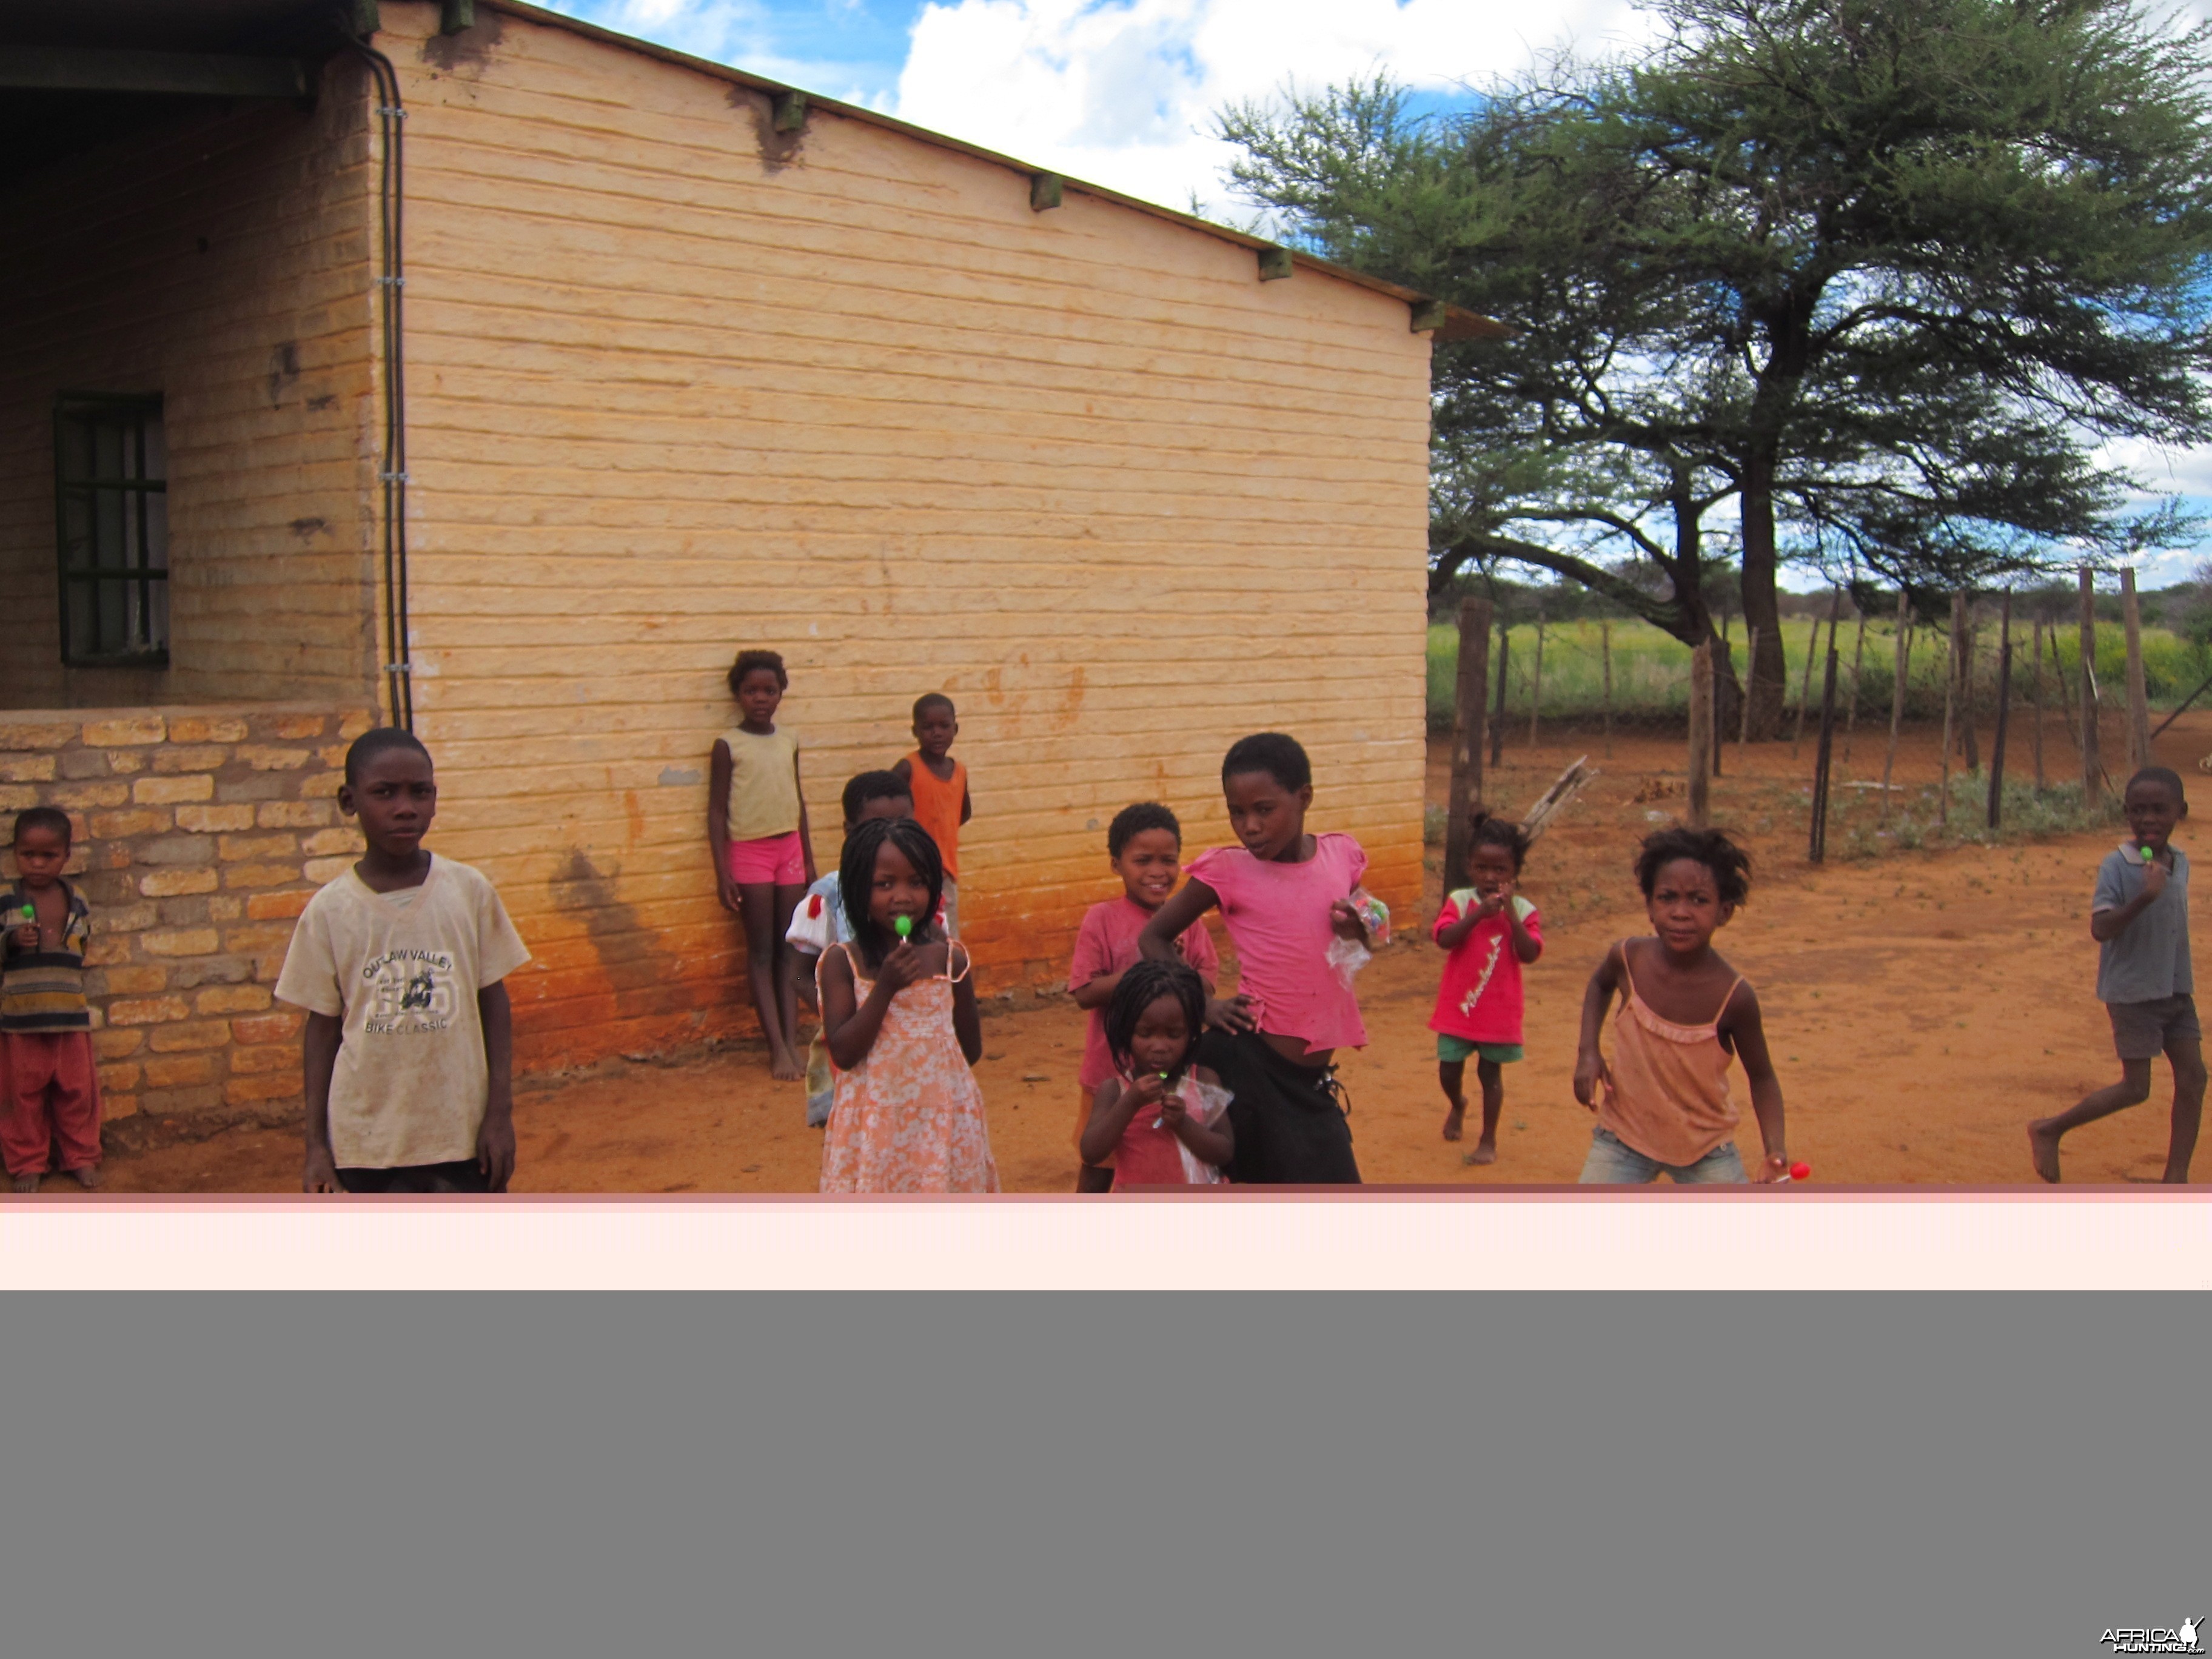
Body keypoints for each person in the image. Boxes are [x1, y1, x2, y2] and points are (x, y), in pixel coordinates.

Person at [277, 728, 532, 1195]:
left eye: (420, 792)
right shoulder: (331, 911)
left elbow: (493, 1002)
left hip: (461, 1134)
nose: (405, 807)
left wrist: (499, 1113)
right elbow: (322, 1029)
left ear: (435, 799)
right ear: (349, 802)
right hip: (366, 1142)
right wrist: (316, 1146)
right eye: (384, 793)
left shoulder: (467, 891)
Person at [1138, 732, 1372, 1185]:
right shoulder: (1227, 870)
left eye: (1264, 810)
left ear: (1303, 798)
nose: (1250, 827)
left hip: (1310, 1080)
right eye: (1237, 812)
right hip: (1252, 1068)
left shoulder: (1341, 854)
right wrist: (1202, 1005)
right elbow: (1154, 937)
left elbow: (1373, 921)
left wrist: (1361, 926)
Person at [1572, 825, 1789, 1184]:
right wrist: (1588, 1052)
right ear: (1649, 907)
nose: (1681, 913)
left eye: (1699, 900)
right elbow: (1599, 985)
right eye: (1667, 897)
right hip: (1623, 1139)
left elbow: (1763, 1077)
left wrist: (1775, 1149)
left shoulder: (1734, 997)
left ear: (1725, 912)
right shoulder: (1628, 959)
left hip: (1705, 1149)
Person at [2029, 765, 2202, 1184]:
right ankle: (2050, 1128)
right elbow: (2101, 929)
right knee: (2136, 1088)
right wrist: (2144, 897)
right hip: (2134, 994)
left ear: (2181, 811)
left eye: (2160, 810)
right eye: (2138, 811)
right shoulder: (2118, 865)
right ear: (2126, 813)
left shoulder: (2178, 863)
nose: (2148, 820)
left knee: (2194, 1077)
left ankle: (2175, 1178)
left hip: (2175, 990)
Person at [816, 817, 997, 1193]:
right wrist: (884, 989)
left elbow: (971, 1050)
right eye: (884, 884)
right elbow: (844, 1053)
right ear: (857, 889)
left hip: (942, 1123)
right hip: (875, 1126)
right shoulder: (843, 962)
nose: (902, 896)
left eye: (917, 882)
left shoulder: (951, 961)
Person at [1068, 802, 1220, 1193]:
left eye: (1168, 861)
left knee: (1162, 1159)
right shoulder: (1101, 918)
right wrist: (1146, 974)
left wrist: (1181, 974)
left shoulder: (1188, 923)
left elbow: (1206, 991)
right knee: (1099, 1168)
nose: (1157, 872)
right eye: (1143, 860)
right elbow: (1084, 991)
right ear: (1117, 864)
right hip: (1109, 1074)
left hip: (1173, 1073)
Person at [708, 648, 816, 1082]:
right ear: (737, 695)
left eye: (769, 691)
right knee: (761, 951)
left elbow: (798, 800)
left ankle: (792, 1042)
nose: (761, 698)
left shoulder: (789, 739)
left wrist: (809, 859)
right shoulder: (727, 746)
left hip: (788, 849)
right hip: (749, 854)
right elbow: (716, 812)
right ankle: (776, 1047)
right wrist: (723, 871)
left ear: (781, 695)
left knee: (791, 949)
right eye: (751, 691)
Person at [786, 769, 915, 1128]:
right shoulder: (827, 897)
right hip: (850, 1047)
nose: (892, 837)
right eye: (875, 827)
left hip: (910, 1048)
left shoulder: (922, 895)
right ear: (849, 831)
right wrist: (836, 1016)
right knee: (853, 1140)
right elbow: (797, 970)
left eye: (904, 824)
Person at [1431, 812, 1543, 1164]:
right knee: (1449, 1068)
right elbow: (1445, 939)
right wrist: (1479, 914)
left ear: (1515, 872)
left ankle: (1488, 1140)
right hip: (1458, 1006)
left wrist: (1510, 916)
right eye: (1482, 868)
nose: (1491, 878)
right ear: (1470, 867)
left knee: (1490, 1073)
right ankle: (1458, 1103)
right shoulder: (1461, 902)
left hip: (1498, 1009)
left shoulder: (1523, 909)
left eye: (1500, 871)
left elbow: (1530, 953)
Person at [2, 806, 102, 1192]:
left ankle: (80, 1156)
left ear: (67, 856)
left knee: (77, 1092)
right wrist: (10, 941)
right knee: (21, 1098)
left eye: (49, 856)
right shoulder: (6, 899)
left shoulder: (77, 899)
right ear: (15, 853)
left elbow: (83, 945)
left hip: (69, 1016)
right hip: (20, 1019)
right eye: (29, 855)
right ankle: (28, 1162)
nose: (38, 864)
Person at [1079, 959, 1233, 1189]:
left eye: (1173, 1035)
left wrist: (1183, 1123)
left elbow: (1224, 1151)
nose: (1160, 1046)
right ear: (1126, 1032)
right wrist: (1130, 1103)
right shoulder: (1115, 1091)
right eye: (1145, 1033)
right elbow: (1091, 1151)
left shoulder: (1202, 1080)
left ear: (1191, 1034)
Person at [893, 693, 970, 937]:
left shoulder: (959, 771)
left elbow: (963, 812)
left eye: (944, 726)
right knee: (912, 932)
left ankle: (948, 977)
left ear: (955, 729)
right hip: (912, 870)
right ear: (915, 731)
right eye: (928, 727)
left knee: (948, 937)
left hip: (945, 873)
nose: (937, 733)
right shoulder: (907, 769)